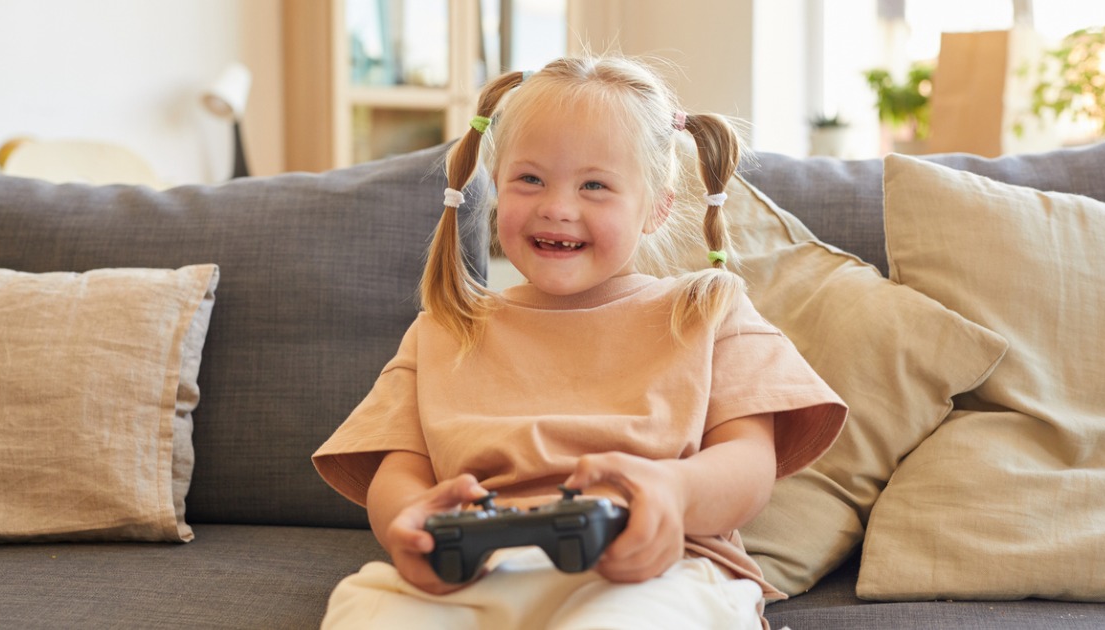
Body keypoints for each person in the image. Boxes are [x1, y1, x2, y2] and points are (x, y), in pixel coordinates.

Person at [312, 54, 847, 629]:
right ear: (497, 188)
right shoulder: (447, 326)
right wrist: (409, 519)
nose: (557, 207)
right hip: (473, 567)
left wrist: (675, 492)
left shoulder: (705, 311)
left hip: (652, 569)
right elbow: (399, 471)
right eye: (530, 179)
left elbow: (749, 463)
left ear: (658, 206)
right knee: (363, 608)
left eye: (594, 185)